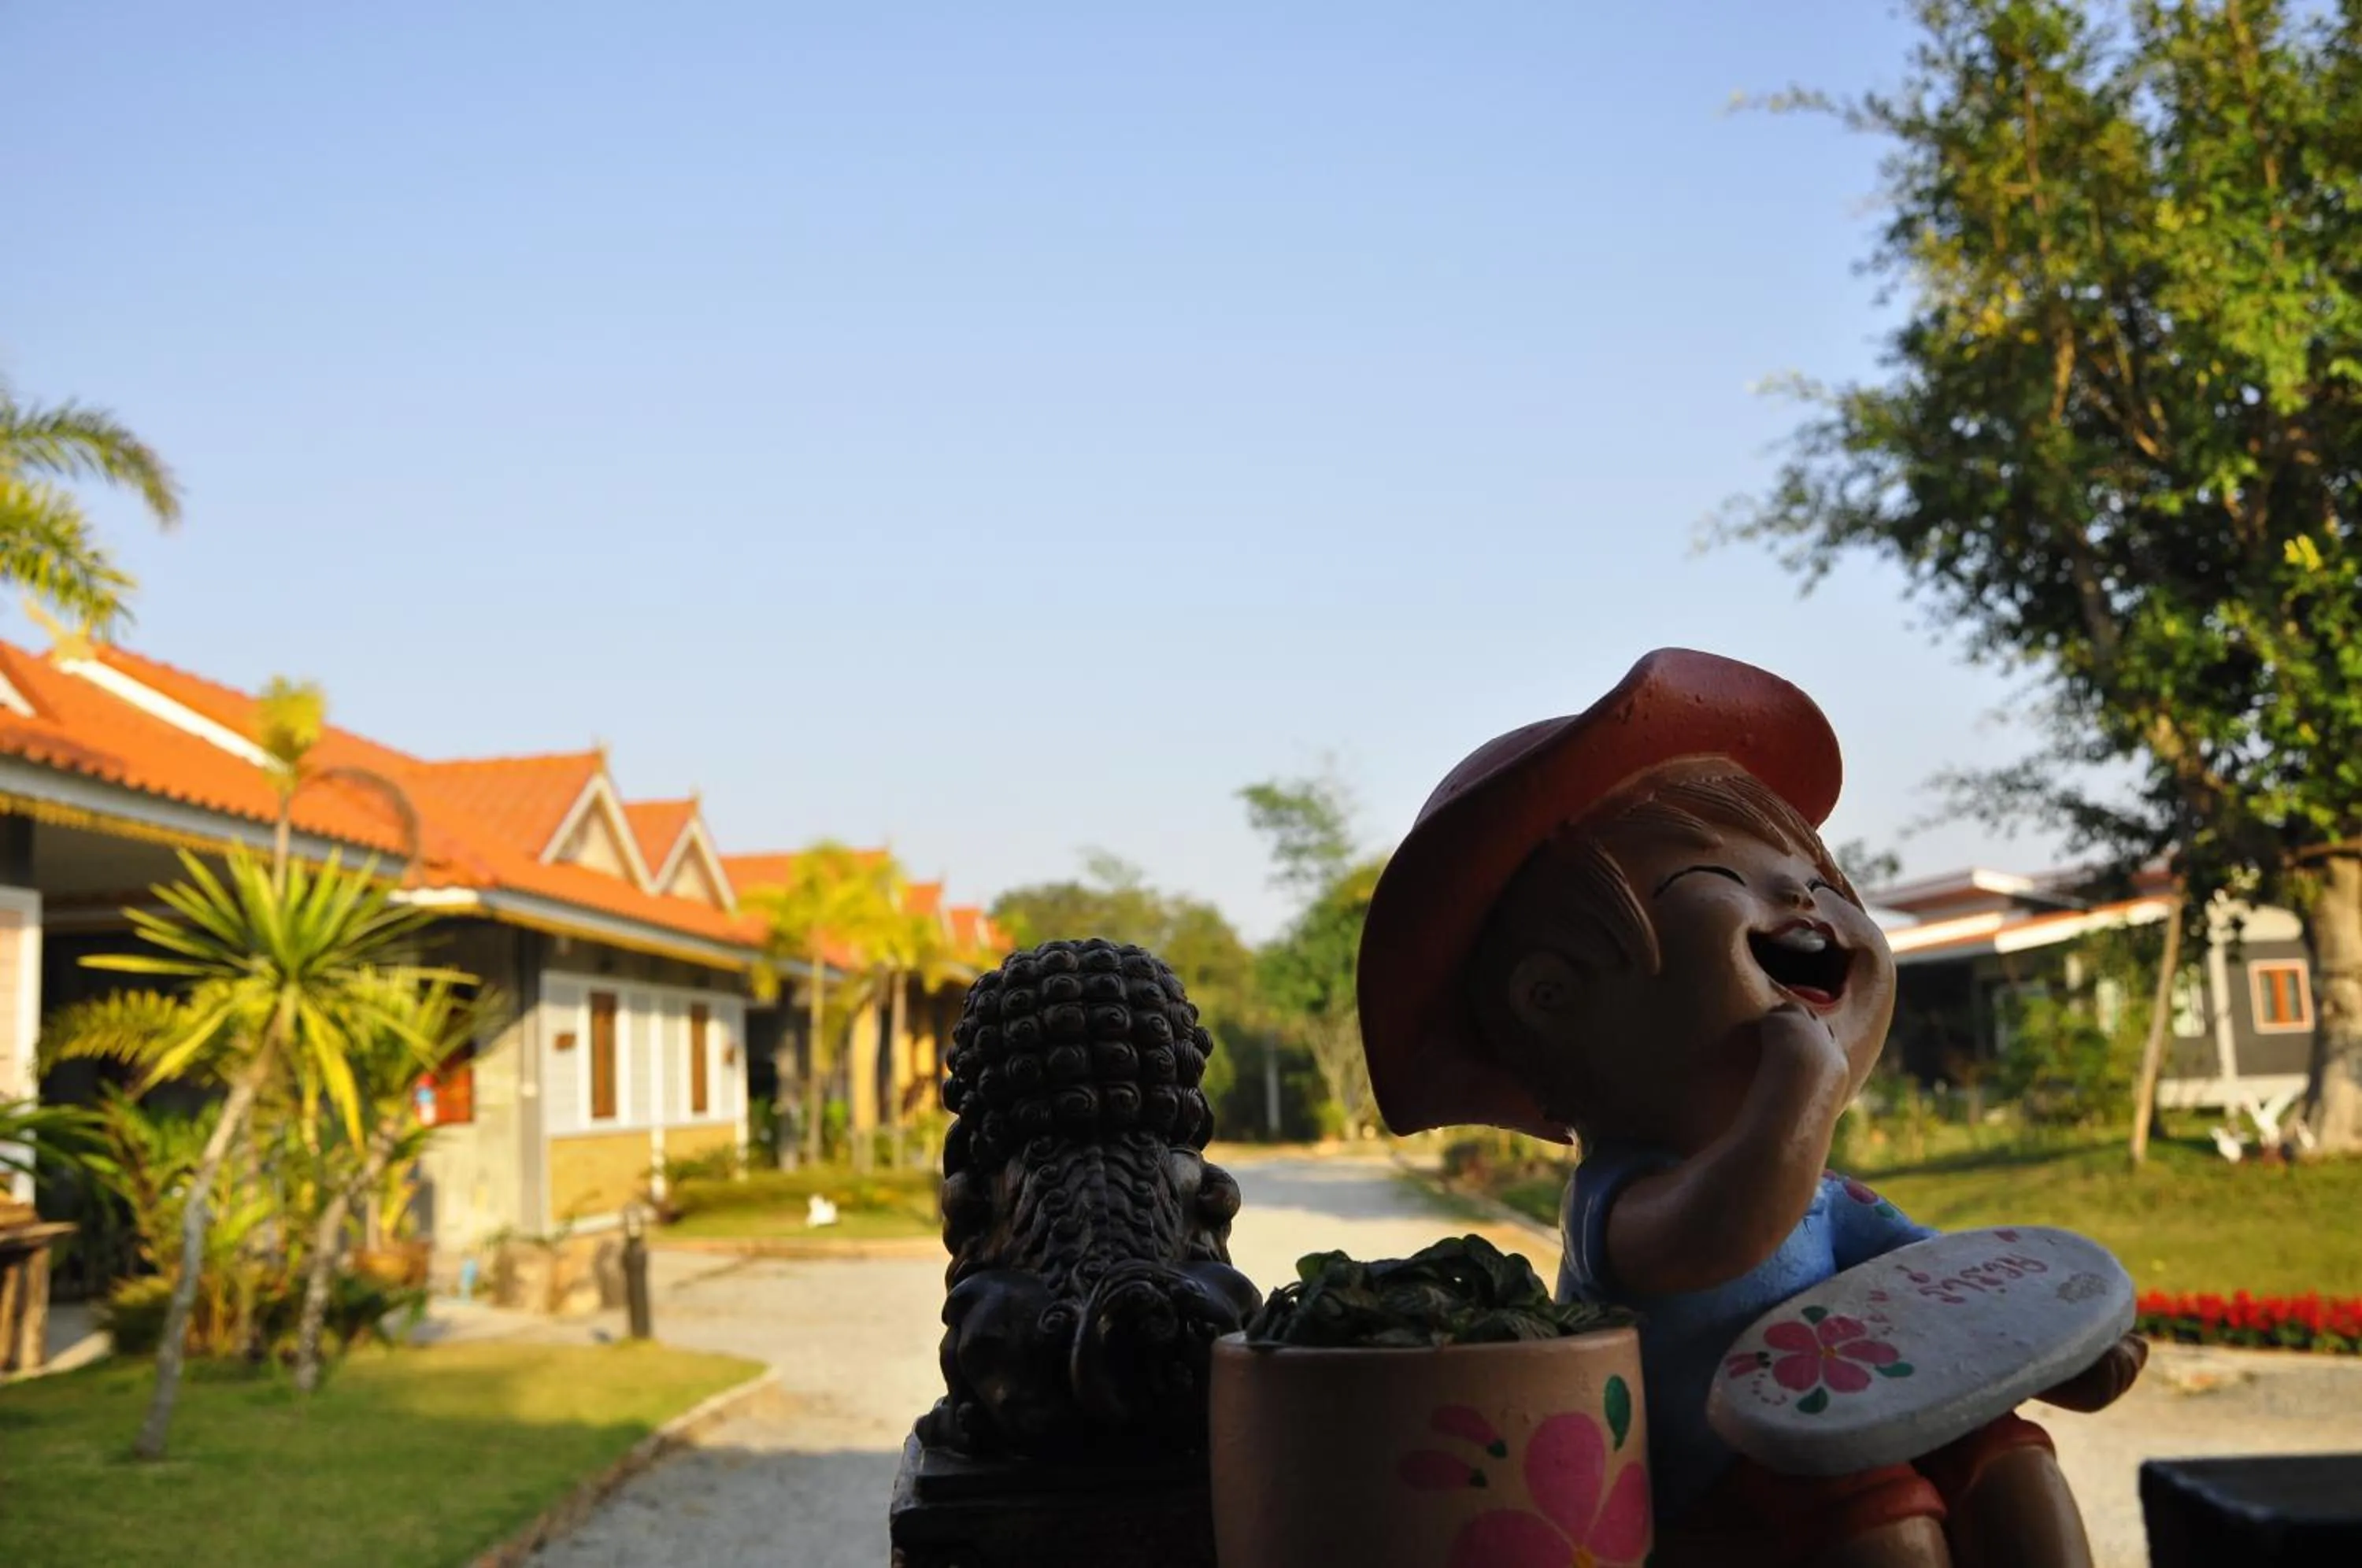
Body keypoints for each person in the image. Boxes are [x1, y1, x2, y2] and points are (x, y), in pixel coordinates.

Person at [1357, 649, 2145, 1568]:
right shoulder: (1621, 1200)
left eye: (1814, 876)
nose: (1804, 898)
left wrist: (2052, 1347)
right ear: (1553, 998)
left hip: (1860, 1412)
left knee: (2011, 1461)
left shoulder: (1824, 1196)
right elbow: (1721, 1234)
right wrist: (1798, 1097)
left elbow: (1934, 1286)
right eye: (1720, 877)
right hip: (1723, 1462)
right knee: (1886, 1517)